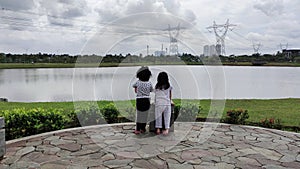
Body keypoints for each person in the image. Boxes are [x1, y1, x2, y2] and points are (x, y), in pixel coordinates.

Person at [132, 66, 153, 134]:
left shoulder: (138, 82)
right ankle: (143, 128)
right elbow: (151, 90)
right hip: (147, 100)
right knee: (145, 115)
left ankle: (137, 129)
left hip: (139, 100)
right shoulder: (149, 83)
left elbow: (135, 89)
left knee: (139, 114)